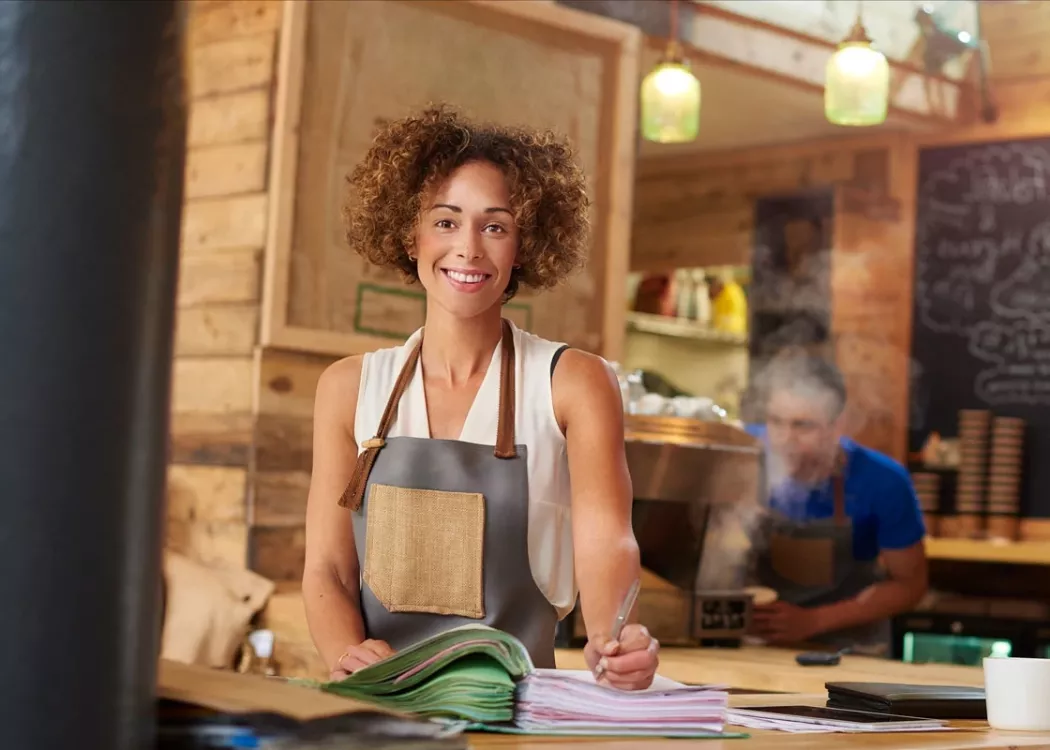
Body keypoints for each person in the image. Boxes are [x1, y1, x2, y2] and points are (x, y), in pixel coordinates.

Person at [301, 106, 659, 691]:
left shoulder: (572, 382)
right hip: (383, 705)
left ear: (524, 245)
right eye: (445, 222)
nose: (468, 248)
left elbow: (607, 538)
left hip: (515, 714)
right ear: (407, 234)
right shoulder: (348, 389)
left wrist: (614, 641)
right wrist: (345, 653)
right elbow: (329, 570)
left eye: (495, 226)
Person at [744, 351, 928, 655]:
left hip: (851, 651)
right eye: (775, 422)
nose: (784, 438)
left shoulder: (883, 481)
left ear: (837, 424)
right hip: (759, 647)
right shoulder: (740, 456)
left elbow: (910, 586)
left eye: (803, 426)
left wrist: (813, 620)